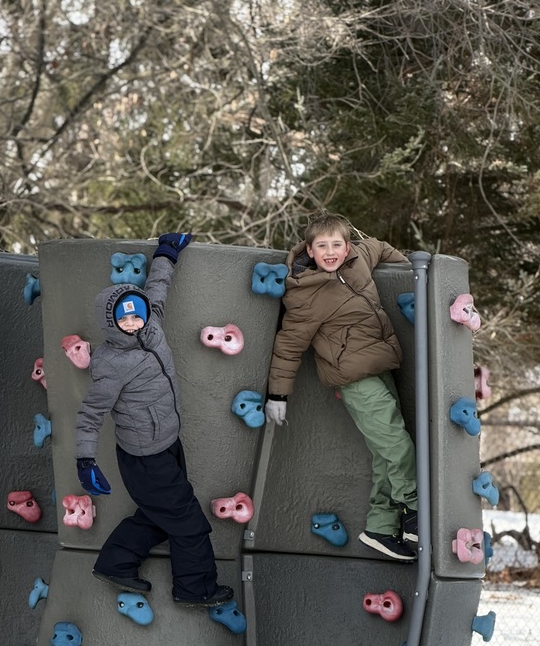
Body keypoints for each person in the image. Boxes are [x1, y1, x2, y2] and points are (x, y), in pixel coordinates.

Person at [76, 232, 234, 606]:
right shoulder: (112, 364)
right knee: (189, 523)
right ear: (111, 322)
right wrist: (85, 459)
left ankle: (116, 562)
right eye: (123, 317)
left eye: (137, 312)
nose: (132, 321)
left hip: (166, 444)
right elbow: (91, 412)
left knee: (159, 515)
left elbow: (157, 287)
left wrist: (166, 253)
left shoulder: (153, 327)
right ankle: (196, 590)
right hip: (145, 458)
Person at [265, 212, 418, 561]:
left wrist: (413, 273)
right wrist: (278, 395)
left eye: (336, 244)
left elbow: (379, 247)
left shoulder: (358, 259)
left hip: (381, 366)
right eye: (322, 246)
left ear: (347, 246)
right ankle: (415, 511)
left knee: (384, 452)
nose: (330, 251)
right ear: (310, 249)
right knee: (396, 444)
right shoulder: (304, 292)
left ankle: (380, 526)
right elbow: (289, 345)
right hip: (352, 378)